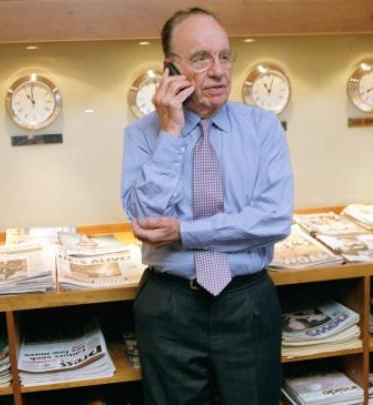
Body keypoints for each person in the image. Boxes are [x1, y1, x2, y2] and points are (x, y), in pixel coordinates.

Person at [121, 7, 294, 405]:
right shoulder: (142, 136)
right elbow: (146, 219)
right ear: (169, 69)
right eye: (201, 58)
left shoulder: (263, 128)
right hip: (170, 306)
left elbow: (272, 219)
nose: (218, 71)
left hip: (246, 302)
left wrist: (184, 233)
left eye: (224, 56)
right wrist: (171, 131)